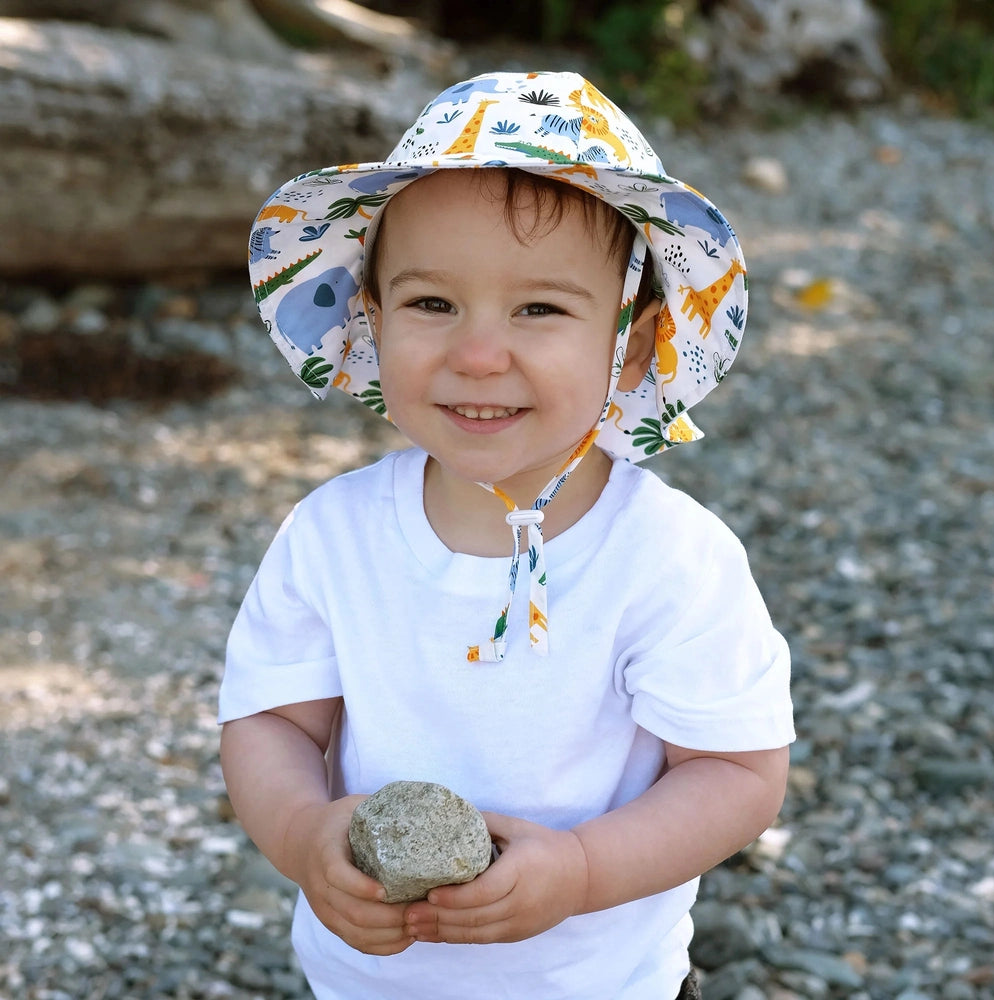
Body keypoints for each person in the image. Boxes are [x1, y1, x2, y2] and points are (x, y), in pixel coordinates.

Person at [219, 70, 795, 1000]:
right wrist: (302, 834)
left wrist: (582, 869)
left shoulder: (670, 558)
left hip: (603, 984)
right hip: (368, 982)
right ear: (370, 319)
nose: (479, 354)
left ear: (634, 345)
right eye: (432, 305)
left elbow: (736, 771)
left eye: (540, 309)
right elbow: (272, 721)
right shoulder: (332, 533)